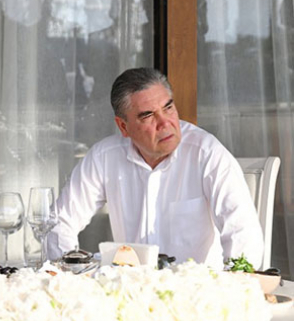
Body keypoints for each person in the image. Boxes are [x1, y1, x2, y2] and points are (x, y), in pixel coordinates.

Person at [48, 67, 263, 269]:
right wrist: (69, 274)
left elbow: (243, 235)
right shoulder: (104, 157)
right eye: (148, 115)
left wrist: (230, 287)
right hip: (129, 288)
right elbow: (58, 223)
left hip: (196, 290)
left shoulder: (207, 153)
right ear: (123, 126)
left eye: (168, 108)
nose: (165, 123)